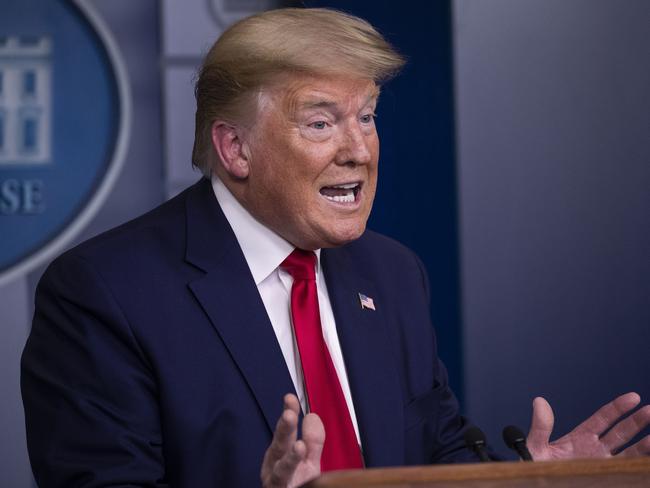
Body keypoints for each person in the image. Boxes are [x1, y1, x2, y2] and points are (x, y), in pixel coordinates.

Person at [21, 8, 649, 488]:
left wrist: (520, 480)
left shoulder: (394, 273)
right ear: (235, 148)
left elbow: (438, 455)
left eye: (368, 116)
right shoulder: (104, 294)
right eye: (321, 122)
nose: (359, 150)